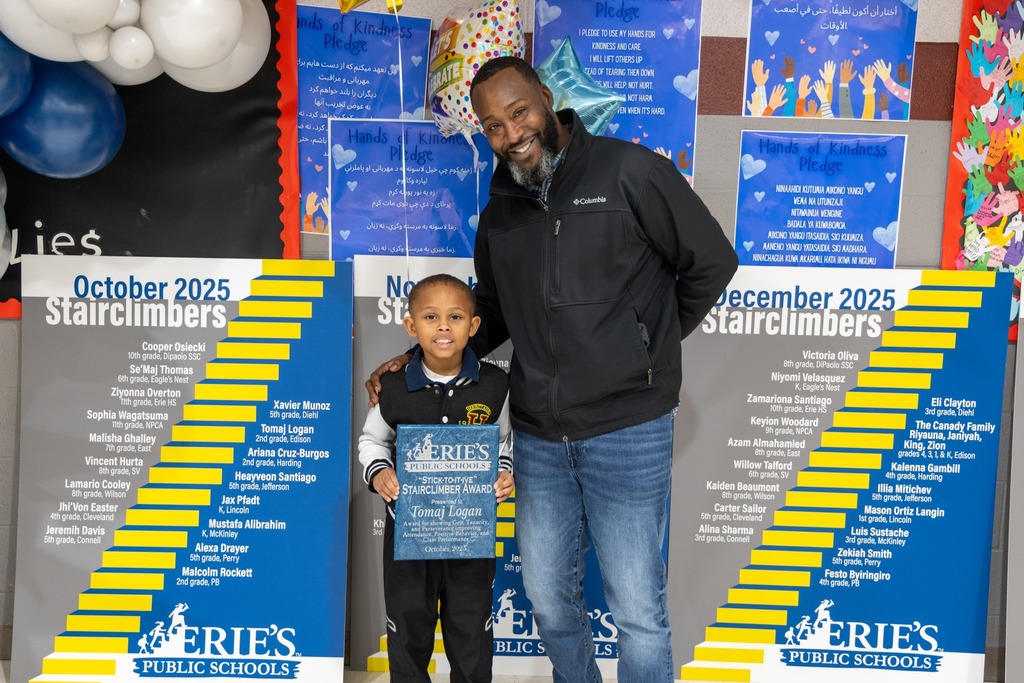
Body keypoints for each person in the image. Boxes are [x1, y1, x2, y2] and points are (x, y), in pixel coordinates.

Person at [368, 57, 737, 683]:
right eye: (492, 126)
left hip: (629, 427)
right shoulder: (502, 210)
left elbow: (712, 262)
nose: (511, 133)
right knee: (547, 598)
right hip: (538, 434)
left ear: (545, 97)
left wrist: (645, 346)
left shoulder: (630, 172)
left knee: (638, 612)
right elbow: (492, 312)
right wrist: (413, 359)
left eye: (519, 113)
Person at [359, 273, 514, 683]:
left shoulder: (496, 386)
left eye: (455, 317)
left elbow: (505, 443)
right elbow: (372, 441)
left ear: (474, 327)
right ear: (411, 327)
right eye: (430, 317)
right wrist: (380, 473)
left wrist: (503, 472)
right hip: (408, 538)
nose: (443, 326)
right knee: (408, 629)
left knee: (471, 630)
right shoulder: (392, 387)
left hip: (470, 539)